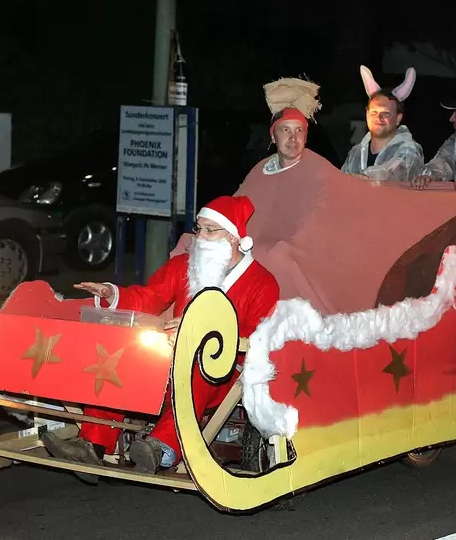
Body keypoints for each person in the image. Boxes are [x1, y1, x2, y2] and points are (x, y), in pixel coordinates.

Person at [41, 195, 280, 482]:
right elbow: (150, 297)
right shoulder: (184, 266)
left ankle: (160, 449)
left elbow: (255, 339)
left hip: (220, 371)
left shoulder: (262, 284)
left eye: (208, 230)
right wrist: (110, 293)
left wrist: (202, 334)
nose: (198, 237)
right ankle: (92, 442)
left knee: (196, 369)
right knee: (123, 354)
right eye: (198, 228)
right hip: (167, 355)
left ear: (231, 237)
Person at [341, 65, 424, 181]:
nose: (379, 118)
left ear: (398, 118)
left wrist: (361, 178)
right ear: (367, 115)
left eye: (386, 113)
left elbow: (389, 174)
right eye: (374, 112)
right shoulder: (356, 153)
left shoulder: (409, 151)